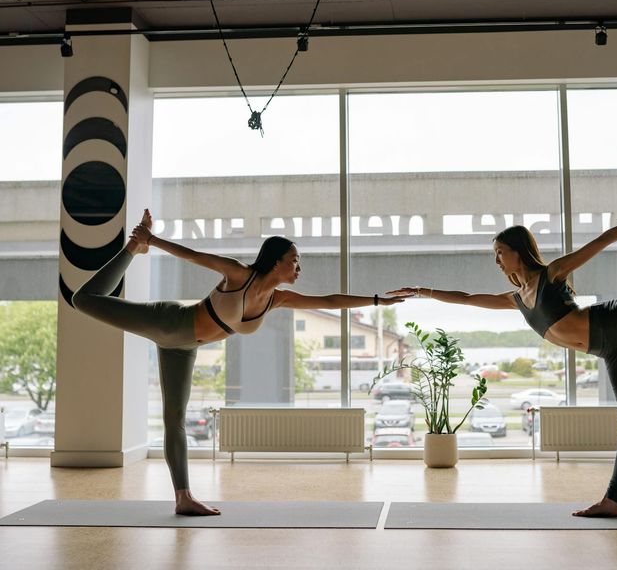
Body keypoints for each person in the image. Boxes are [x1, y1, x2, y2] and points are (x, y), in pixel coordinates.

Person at [388, 174, 617, 517]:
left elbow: (603, 240)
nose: (497, 260)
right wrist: (422, 291)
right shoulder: (516, 299)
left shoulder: (552, 274)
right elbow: (467, 298)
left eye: (500, 253)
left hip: (614, 319)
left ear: (518, 253)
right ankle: (612, 501)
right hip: (610, 349)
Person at [72, 209, 405, 516]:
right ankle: (132, 249)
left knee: (174, 417)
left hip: (184, 347)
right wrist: (150, 240)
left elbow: (330, 300)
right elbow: (194, 256)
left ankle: (183, 498)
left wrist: (377, 300)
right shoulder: (238, 274)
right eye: (294, 260)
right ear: (275, 261)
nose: (299, 267)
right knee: (82, 299)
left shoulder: (278, 299)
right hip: (170, 323)